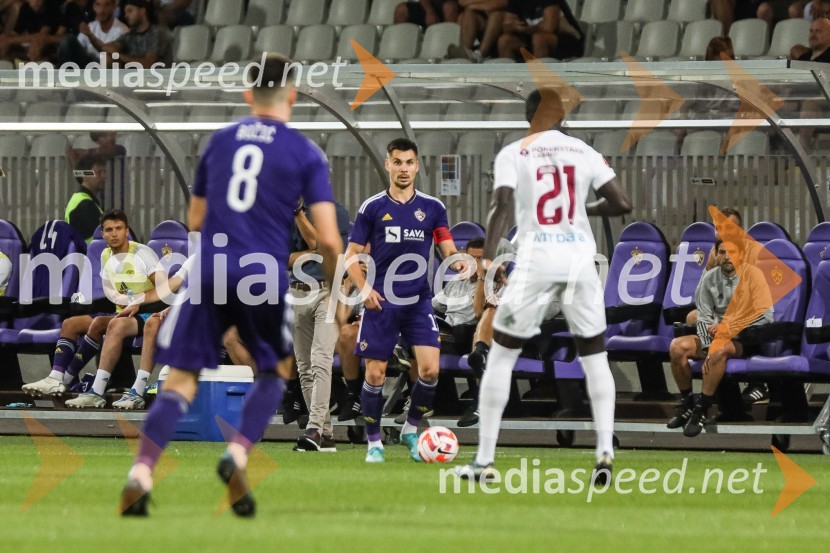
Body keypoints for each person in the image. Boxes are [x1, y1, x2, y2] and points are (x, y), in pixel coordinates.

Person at [119, 53, 342, 517]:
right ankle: (236, 454)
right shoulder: (305, 153)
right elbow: (328, 240)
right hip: (261, 271)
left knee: (179, 380)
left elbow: (195, 219)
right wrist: (338, 287)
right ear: (293, 94)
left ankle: (141, 473)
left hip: (210, 269)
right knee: (275, 371)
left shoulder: (219, 142)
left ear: (247, 93)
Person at [454, 87, 632, 484]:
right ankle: (604, 451)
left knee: (501, 356)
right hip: (580, 262)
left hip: (537, 260)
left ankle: (484, 461)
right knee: (594, 357)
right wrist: (583, 208)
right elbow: (622, 203)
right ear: (562, 118)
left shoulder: (513, 153)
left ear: (528, 118)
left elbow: (502, 207)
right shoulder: (584, 152)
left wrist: (486, 261)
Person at [344, 137, 466, 464]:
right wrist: (364, 290)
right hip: (381, 302)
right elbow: (351, 256)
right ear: (387, 165)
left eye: (409, 162)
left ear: (416, 165)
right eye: (397, 162)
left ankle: (410, 430)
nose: (403, 168)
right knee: (375, 376)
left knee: (429, 370)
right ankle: (373, 443)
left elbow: (448, 250)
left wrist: (466, 264)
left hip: (418, 303)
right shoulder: (372, 208)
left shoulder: (433, 208)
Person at [22, 209, 161, 397]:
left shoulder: (143, 253)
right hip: (120, 312)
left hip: (143, 313)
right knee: (71, 323)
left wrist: (138, 301)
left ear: (127, 231)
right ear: (102, 234)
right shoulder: (105, 255)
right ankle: (56, 378)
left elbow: (164, 289)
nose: (114, 233)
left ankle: (68, 380)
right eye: (109, 230)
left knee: (101, 323)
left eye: (119, 228)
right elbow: (111, 292)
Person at [666, 237, 773, 437]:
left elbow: (765, 316)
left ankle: (701, 408)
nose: (726, 257)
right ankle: (687, 403)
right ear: (717, 255)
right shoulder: (710, 278)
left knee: (719, 348)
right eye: (722, 253)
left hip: (742, 340)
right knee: (677, 346)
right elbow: (702, 314)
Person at [65, 254, 192, 408]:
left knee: (151, 322)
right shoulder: (195, 258)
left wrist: (176, 306)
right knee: (122, 324)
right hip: (179, 313)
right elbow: (167, 288)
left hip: (205, 316)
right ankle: (99, 392)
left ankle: (137, 391)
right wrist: (138, 301)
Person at [290, 197, 351, 452]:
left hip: (330, 291)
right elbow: (287, 258)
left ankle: (313, 427)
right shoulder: (287, 215)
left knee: (320, 359)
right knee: (304, 366)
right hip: (298, 292)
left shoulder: (336, 212)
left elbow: (325, 250)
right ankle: (325, 434)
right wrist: (309, 254)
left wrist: (300, 216)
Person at [496, 0, 584, 61]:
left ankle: (541, 82)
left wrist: (525, 29)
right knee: (505, 41)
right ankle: (511, 81)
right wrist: (513, 27)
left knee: (539, 38)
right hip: (532, 36)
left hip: (568, 39)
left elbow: (549, 27)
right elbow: (506, 26)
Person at [58, 0, 128, 68]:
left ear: (114, 7)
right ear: (94, 6)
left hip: (105, 72)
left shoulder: (122, 31)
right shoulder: (91, 26)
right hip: (86, 69)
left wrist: (90, 36)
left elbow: (113, 57)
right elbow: (77, 48)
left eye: (107, 5)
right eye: (98, 4)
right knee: (68, 40)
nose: (101, 10)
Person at [102, 0, 171, 68]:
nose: (126, 16)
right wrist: (112, 50)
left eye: (130, 11)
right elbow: (107, 47)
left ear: (142, 11)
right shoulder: (129, 35)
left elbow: (147, 64)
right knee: (107, 57)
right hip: (130, 76)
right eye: (125, 13)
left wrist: (118, 55)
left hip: (155, 76)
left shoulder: (157, 32)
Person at [0, 0, 64, 62]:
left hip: (50, 42)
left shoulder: (51, 7)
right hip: (31, 40)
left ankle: (39, 69)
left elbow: (42, 36)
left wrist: (11, 40)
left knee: (36, 45)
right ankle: (7, 69)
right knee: (5, 45)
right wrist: (6, 40)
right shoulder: (26, 8)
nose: (35, 1)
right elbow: (15, 33)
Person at [65, 154, 106, 243]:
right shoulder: (85, 204)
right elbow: (105, 236)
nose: (104, 176)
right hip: (90, 255)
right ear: (84, 175)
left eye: (104, 172)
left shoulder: (80, 199)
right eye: (99, 172)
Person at [394, 0, 460, 27]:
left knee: (449, 8)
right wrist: (429, 12)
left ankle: (447, 44)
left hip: (451, 5)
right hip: (430, 7)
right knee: (401, 10)